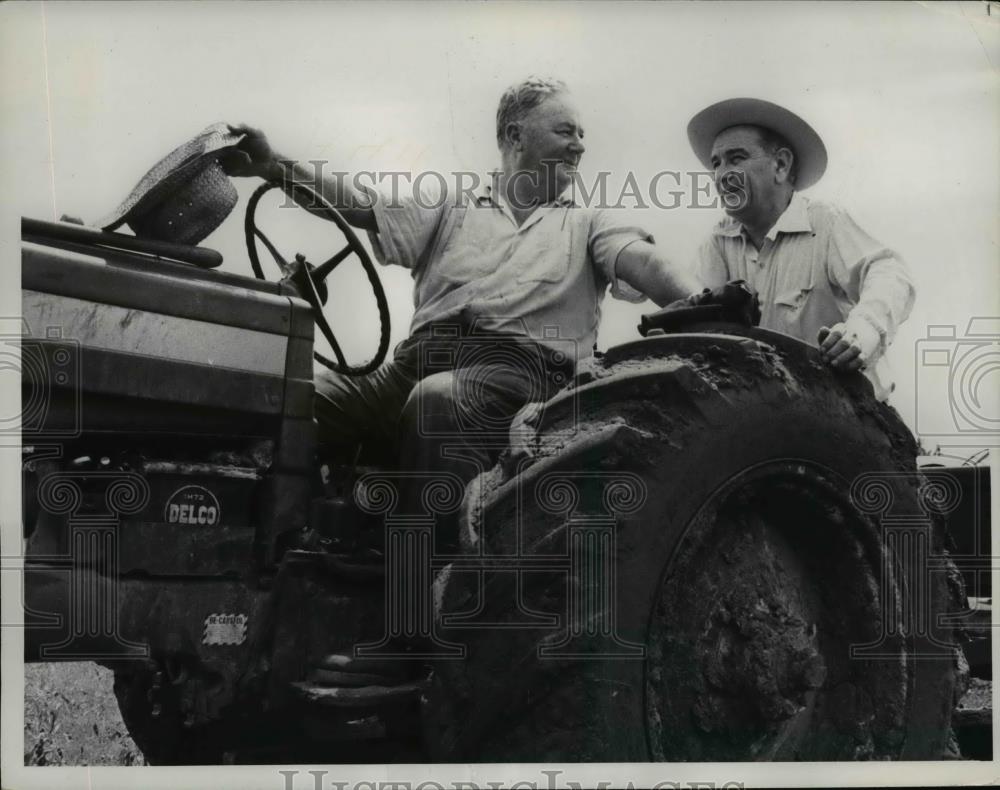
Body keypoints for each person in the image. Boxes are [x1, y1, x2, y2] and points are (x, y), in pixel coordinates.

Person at [225, 77, 701, 548]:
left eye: (581, 135)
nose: (580, 147)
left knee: (439, 403)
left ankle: (425, 597)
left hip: (525, 383)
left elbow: (643, 260)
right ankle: (284, 553)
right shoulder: (452, 206)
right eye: (566, 131)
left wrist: (700, 305)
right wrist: (272, 165)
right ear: (515, 136)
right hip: (413, 368)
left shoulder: (588, 222)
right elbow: (360, 205)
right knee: (296, 399)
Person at [686, 97, 915, 400]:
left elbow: (889, 272)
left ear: (780, 165)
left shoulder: (825, 223)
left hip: (846, 410)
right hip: (762, 416)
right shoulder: (717, 243)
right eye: (716, 163)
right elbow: (692, 323)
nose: (720, 175)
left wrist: (861, 332)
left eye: (736, 158)